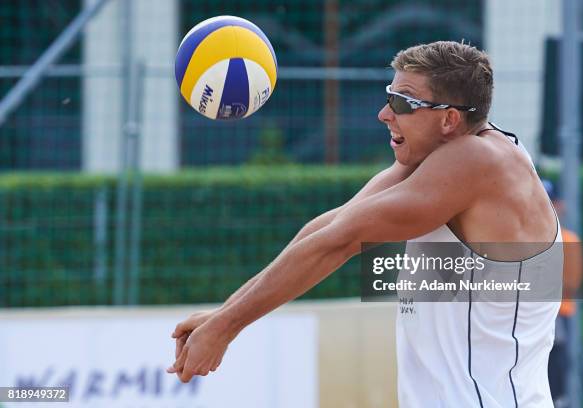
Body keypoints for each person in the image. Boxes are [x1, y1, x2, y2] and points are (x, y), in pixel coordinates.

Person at [167, 41, 562, 407]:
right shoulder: (441, 158)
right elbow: (326, 229)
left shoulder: (476, 162)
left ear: (449, 119)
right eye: (388, 97)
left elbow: (340, 243)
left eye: (402, 102)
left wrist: (226, 328)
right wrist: (224, 315)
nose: (384, 113)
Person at [543, 179, 583, 408]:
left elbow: (571, 284)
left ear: (559, 205)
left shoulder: (568, 239)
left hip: (557, 317)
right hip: (527, 316)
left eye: (551, 201)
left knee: (554, 377)